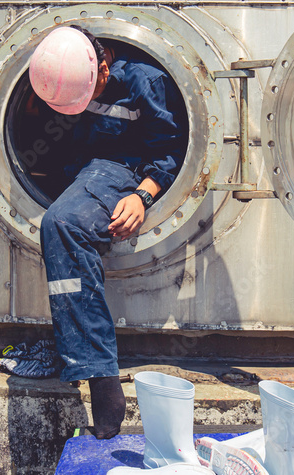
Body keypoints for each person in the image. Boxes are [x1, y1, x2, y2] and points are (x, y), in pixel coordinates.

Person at [28, 25, 186, 439]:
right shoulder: (63, 79)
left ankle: (99, 376)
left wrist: (142, 195)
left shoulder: (144, 83)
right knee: (61, 220)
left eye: (91, 93)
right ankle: (84, 362)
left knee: (62, 224)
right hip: (79, 166)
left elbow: (170, 151)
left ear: (103, 67)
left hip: (121, 168)